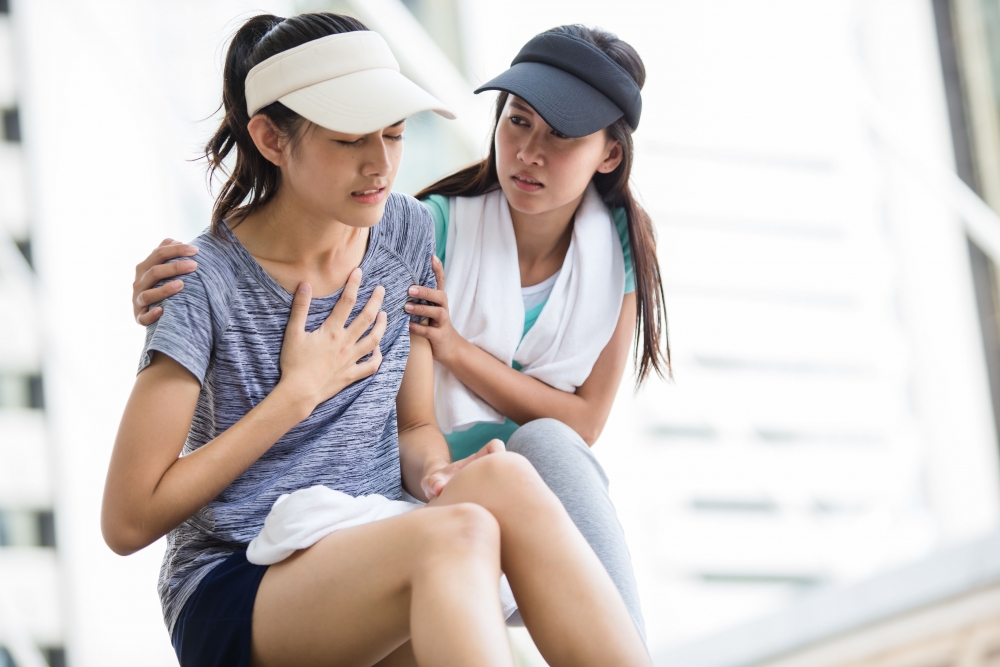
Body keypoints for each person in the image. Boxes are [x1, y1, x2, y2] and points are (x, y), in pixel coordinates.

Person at [103, 12, 651, 667]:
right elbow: (127, 520)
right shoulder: (201, 283)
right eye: (349, 140)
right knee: (457, 535)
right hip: (239, 576)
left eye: (394, 133)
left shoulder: (405, 232)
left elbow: (414, 425)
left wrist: (436, 471)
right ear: (271, 139)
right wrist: (296, 395)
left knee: (504, 477)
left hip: (369, 529)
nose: (381, 164)